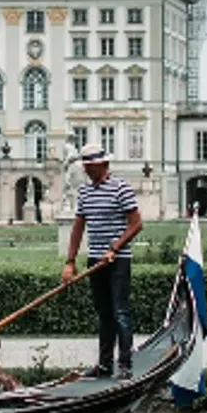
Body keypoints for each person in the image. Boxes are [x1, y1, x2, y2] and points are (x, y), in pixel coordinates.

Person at [61, 144, 143, 380]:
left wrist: (115, 247)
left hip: (118, 260)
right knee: (103, 313)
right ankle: (105, 365)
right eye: (85, 166)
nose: (86, 171)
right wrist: (70, 262)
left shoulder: (121, 189)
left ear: (104, 165)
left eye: (90, 167)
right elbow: (78, 228)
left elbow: (136, 224)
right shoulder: (85, 192)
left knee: (120, 311)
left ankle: (125, 365)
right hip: (95, 259)